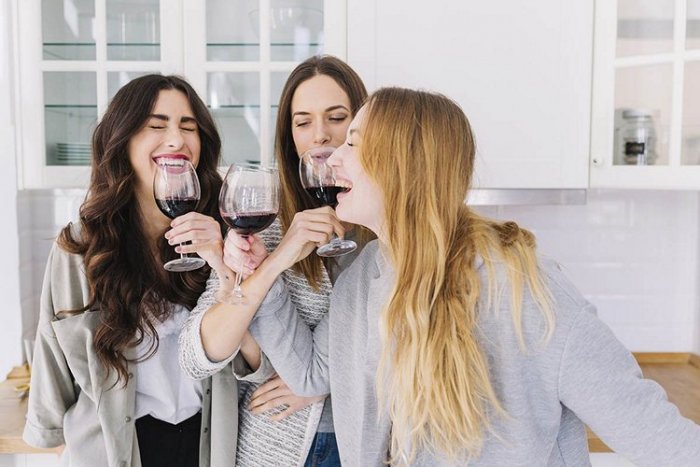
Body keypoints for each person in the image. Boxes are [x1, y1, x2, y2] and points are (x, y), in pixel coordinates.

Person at [218, 87, 700, 466]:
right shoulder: (363, 278)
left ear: (403, 164)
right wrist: (265, 272)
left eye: (354, 143)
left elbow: (648, 429)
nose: (332, 157)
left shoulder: (522, 286)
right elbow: (310, 373)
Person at [23, 74, 240, 467]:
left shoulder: (222, 237)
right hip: (115, 449)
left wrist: (223, 262)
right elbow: (52, 357)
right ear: (122, 140)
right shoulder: (81, 247)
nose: (176, 140)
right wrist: (59, 441)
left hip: (207, 445)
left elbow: (250, 360)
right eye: (156, 126)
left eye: (188, 126)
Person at [178, 55, 371, 466]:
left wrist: (325, 382)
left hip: (371, 443)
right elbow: (196, 355)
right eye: (303, 123)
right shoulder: (266, 222)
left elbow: (417, 349)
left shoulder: (386, 226)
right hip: (278, 444)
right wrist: (274, 262)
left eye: (337, 118)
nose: (320, 135)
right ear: (289, 136)